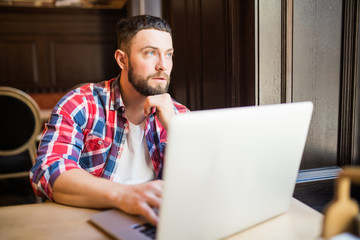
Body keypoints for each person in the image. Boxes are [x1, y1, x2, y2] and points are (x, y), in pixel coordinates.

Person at [30, 15, 189, 226]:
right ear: (122, 59)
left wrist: (177, 129)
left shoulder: (180, 115)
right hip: (88, 222)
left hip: (156, 223)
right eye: (150, 53)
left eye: (168, 55)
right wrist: (126, 196)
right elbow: (48, 170)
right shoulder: (81, 103)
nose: (163, 65)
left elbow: (207, 181)